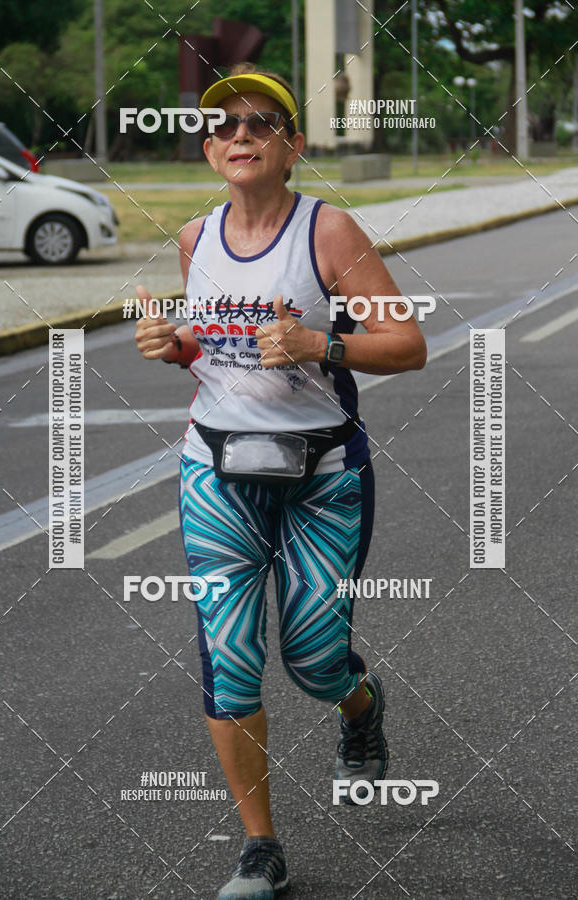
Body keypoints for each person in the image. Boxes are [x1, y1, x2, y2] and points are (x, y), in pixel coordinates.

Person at [135, 63, 427, 900]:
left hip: (322, 477)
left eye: (260, 122)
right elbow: (212, 345)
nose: (240, 135)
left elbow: (408, 346)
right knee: (229, 661)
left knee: (314, 659)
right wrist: (174, 346)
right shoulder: (195, 238)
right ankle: (259, 848)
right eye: (223, 125)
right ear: (208, 151)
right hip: (216, 472)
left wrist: (319, 345)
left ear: (292, 145)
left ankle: (360, 706)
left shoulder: (329, 232)